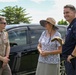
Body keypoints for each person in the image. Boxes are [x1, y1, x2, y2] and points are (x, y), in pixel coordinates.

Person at [62, 4, 76, 75]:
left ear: (74, 13)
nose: (65, 15)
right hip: (70, 60)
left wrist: (72, 56)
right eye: (64, 13)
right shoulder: (70, 26)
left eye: (67, 12)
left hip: (73, 60)